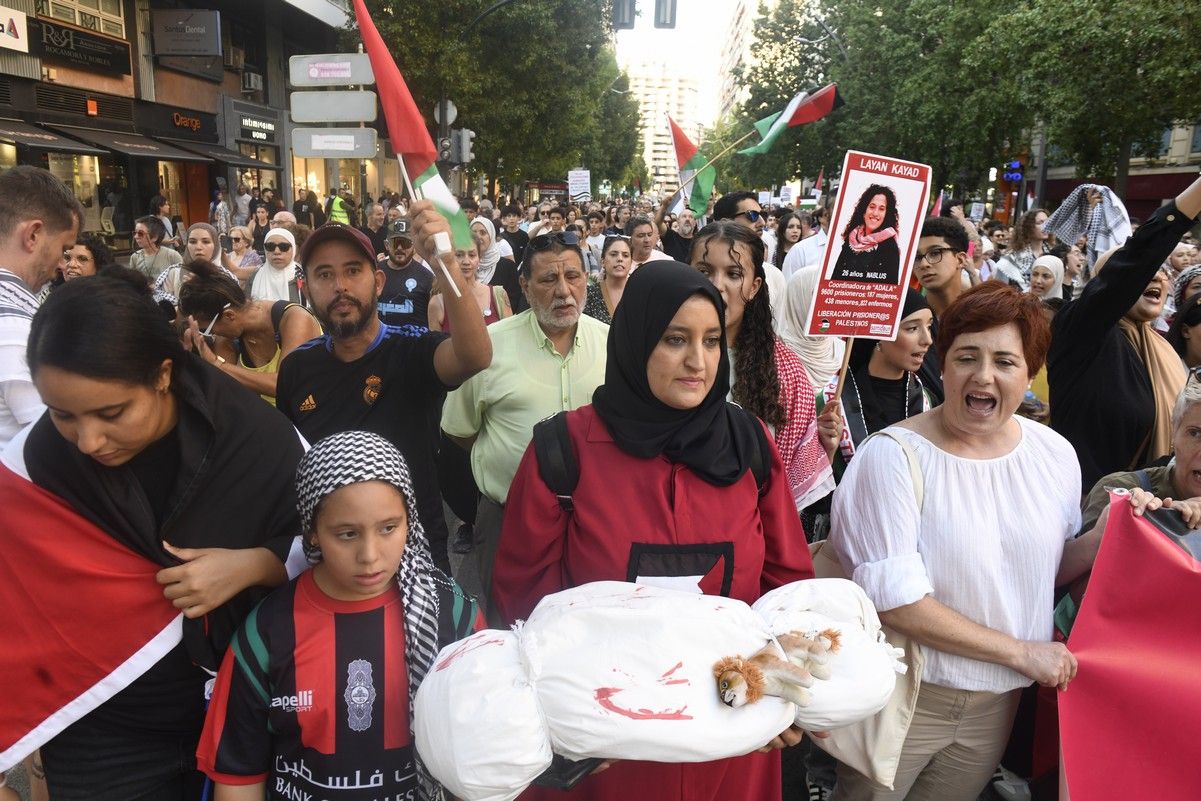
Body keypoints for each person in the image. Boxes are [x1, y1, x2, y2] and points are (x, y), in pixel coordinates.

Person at [492, 260, 814, 801]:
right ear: (636, 340)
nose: (698, 361)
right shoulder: (563, 453)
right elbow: (522, 613)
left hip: (733, 748)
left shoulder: (749, 444)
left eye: (712, 341)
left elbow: (790, 593)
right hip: (606, 757)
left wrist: (785, 691)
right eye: (674, 339)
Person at [8, 268, 306, 801]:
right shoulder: (32, 465)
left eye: (111, 413)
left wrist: (254, 564)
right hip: (104, 722)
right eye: (63, 415)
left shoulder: (260, 441)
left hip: (246, 708)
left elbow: (332, 543)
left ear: (163, 375)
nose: (88, 442)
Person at [829, 281, 1089, 801]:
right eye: (967, 356)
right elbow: (897, 602)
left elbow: (1043, 571)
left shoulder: (1055, 455)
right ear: (942, 365)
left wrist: (1117, 533)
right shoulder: (892, 457)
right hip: (904, 696)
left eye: (1005, 361)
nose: (984, 375)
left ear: (1030, 372)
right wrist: (1020, 653)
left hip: (996, 706)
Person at [196, 431, 481, 801]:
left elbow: (484, 742)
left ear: (409, 520)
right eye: (347, 534)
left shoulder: (451, 616)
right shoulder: (267, 634)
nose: (370, 555)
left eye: (389, 528)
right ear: (312, 532)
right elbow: (239, 777)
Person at [274, 209, 492, 574]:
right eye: (324, 275)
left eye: (352, 271)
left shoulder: (411, 350)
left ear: (377, 282)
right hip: (331, 560)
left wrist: (447, 263)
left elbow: (474, 356)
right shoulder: (297, 368)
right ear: (306, 288)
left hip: (416, 553)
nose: (340, 286)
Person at [444, 229, 607, 618]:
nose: (564, 291)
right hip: (509, 523)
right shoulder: (488, 347)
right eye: (549, 279)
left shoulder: (614, 345)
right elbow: (460, 430)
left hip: (596, 521)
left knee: (590, 630)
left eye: (573, 276)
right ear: (525, 285)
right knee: (511, 633)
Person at [1049, 175, 1201, 489]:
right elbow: (1134, 262)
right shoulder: (1082, 334)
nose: (1156, 279)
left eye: (1162, 274)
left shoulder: (1164, 351)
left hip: (1150, 511)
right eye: (1147, 272)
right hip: (1083, 513)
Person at [692, 221, 837, 512]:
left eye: (733, 274)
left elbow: (791, 485)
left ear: (755, 286)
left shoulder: (785, 370)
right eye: (704, 271)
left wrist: (826, 447)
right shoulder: (660, 357)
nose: (716, 286)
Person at [0, 167, 82, 448]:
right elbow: (56, 437)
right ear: (33, 235)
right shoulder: (15, 326)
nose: (63, 265)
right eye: (63, 249)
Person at [817, 291, 935, 480]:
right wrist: (828, 453)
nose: (927, 339)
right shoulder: (832, 404)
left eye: (929, 327)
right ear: (879, 335)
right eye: (912, 328)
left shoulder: (927, 401)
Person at [178, 262, 322, 405]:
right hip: (276, 420)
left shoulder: (294, 318)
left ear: (229, 315)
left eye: (205, 330)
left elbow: (285, 385)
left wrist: (217, 364)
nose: (210, 335)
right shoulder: (228, 338)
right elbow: (223, 392)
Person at [912, 216, 974, 405]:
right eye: (917, 257)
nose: (924, 264)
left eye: (935, 253)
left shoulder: (981, 319)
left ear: (961, 259)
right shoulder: (906, 322)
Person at [712, 192, 787, 319]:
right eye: (752, 215)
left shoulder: (774, 276)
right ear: (726, 221)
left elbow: (777, 327)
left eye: (762, 215)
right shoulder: (697, 268)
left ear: (755, 285)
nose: (762, 222)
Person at [777, 264, 845, 390]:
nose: (827, 302)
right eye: (819, 295)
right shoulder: (776, 354)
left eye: (831, 294)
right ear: (798, 299)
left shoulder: (841, 351)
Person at [428, 239, 512, 332]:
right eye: (459, 255)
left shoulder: (497, 294)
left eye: (472, 255)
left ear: (479, 259)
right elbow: (437, 345)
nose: (466, 262)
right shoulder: (437, 303)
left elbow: (511, 337)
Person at [828, 184, 902, 284]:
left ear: (886, 214)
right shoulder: (851, 239)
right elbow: (835, 279)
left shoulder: (890, 246)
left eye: (881, 209)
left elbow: (890, 290)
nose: (875, 213)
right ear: (864, 210)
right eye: (872, 207)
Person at [154, 222, 232, 308]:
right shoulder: (172, 274)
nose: (198, 247)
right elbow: (164, 309)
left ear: (216, 246)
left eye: (206, 242)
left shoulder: (226, 277)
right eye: (192, 242)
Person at [377, 217, 434, 328]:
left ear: (414, 245)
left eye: (405, 243)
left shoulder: (426, 277)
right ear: (386, 245)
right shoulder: (375, 273)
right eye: (395, 243)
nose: (399, 248)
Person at [471, 216, 523, 313]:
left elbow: (514, 301)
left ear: (491, 236)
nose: (478, 237)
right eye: (473, 233)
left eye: (483, 233)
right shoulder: (463, 266)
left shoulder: (507, 267)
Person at [994, 208, 1050, 290]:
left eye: (1047, 222)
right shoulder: (1012, 258)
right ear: (1028, 227)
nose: (1045, 226)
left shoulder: (1053, 254)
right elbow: (1000, 290)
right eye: (1039, 223)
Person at [583, 235, 633, 325]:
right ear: (602, 262)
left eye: (625, 255)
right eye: (613, 254)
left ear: (631, 263)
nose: (620, 259)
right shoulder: (589, 294)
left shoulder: (640, 294)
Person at [248, 226, 303, 303]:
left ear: (293, 249)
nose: (277, 251)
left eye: (284, 247)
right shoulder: (256, 276)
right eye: (270, 246)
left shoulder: (302, 275)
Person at [130, 215, 183, 283]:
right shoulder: (135, 257)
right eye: (135, 233)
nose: (136, 237)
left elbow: (181, 281)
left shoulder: (172, 255)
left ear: (155, 237)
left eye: (140, 233)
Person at [782, 210, 830, 282]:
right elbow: (789, 286)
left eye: (798, 227)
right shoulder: (800, 249)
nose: (795, 230)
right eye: (791, 227)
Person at [655, 195, 699, 262]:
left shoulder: (699, 242)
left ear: (695, 223)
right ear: (678, 221)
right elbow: (657, 224)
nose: (687, 219)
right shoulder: (670, 236)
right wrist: (664, 206)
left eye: (690, 217)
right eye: (684, 216)